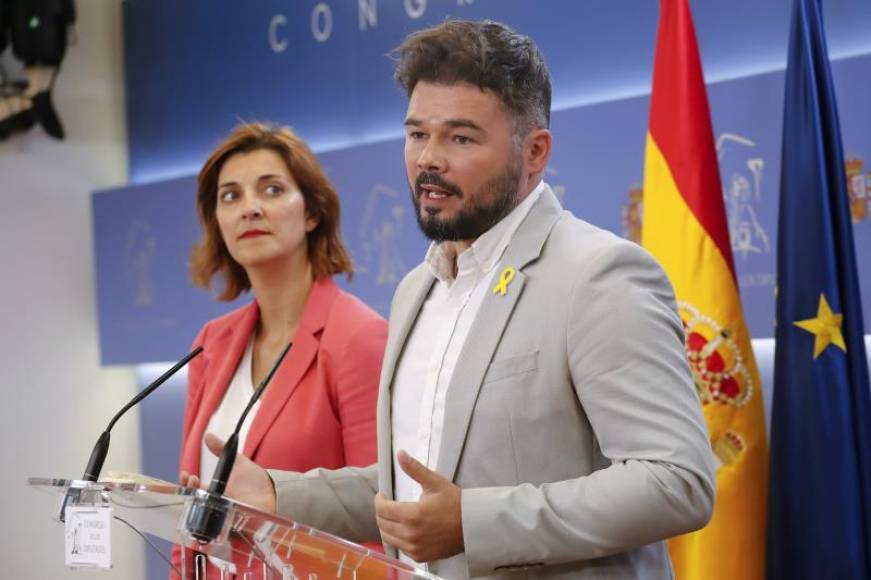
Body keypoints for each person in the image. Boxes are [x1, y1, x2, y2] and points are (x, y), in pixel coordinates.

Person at [195, 21, 716, 579]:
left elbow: (676, 481)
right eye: (417, 134)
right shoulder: (416, 290)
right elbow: (411, 486)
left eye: (460, 138)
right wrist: (279, 493)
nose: (428, 160)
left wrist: (474, 522)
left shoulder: (600, 275)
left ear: (535, 151)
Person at [174, 123, 387, 577]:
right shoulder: (211, 343)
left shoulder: (358, 337)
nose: (249, 208)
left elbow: (380, 511)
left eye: (271, 190)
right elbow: (188, 512)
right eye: (230, 196)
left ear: (311, 212)